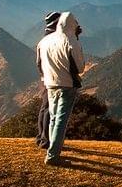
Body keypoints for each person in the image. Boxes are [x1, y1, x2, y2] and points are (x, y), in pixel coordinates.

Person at [36, 11, 85, 166]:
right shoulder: (71, 41)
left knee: (53, 118)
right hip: (67, 85)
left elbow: (39, 62)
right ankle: (53, 156)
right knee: (61, 121)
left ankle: (51, 148)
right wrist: (76, 39)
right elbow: (80, 67)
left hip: (50, 84)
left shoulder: (44, 41)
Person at [35, 11, 61, 149]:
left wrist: (44, 76)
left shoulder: (42, 41)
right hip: (54, 79)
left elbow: (38, 63)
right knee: (49, 109)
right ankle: (45, 140)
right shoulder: (54, 40)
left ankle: (41, 138)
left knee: (44, 108)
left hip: (46, 79)